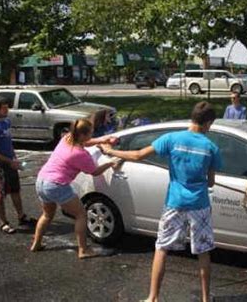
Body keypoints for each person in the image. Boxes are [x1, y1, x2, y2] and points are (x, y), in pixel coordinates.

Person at [99, 101, 222, 302]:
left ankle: (153, 297)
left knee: (162, 247)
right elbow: (210, 182)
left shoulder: (171, 139)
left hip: (174, 203)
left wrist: (110, 151)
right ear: (208, 123)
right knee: (203, 251)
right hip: (199, 205)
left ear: (192, 118)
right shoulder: (211, 147)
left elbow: (138, 155)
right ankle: (206, 299)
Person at [30, 118, 120, 259]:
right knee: (81, 215)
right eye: (91, 133)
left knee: (47, 215)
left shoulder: (67, 138)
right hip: (56, 185)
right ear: (82, 135)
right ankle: (83, 250)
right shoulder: (80, 154)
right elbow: (94, 171)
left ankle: (36, 244)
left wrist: (102, 139)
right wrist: (111, 163)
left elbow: (86, 142)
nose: (92, 135)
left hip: (41, 181)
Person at [0, 96, 37, 234]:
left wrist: (14, 158)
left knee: (15, 190)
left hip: (10, 162)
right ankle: (4, 223)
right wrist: (9, 161)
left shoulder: (6, 122)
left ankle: (21, 216)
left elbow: (8, 143)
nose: (7, 109)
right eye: (4, 108)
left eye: (7, 107)